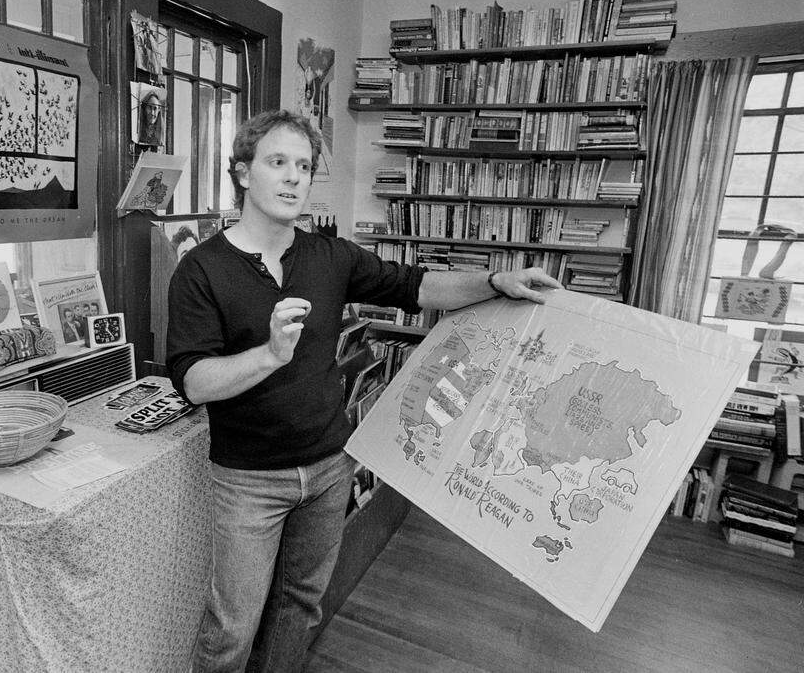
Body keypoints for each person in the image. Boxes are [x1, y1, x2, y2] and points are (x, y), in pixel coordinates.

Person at [166, 109, 560, 673]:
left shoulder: (332, 255)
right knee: (232, 628)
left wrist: (496, 281)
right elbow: (194, 381)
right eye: (278, 162)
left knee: (299, 607)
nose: (293, 177)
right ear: (244, 173)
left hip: (330, 466)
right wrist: (270, 354)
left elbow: (417, 286)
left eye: (304, 166)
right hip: (250, 479)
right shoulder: (201, 270)